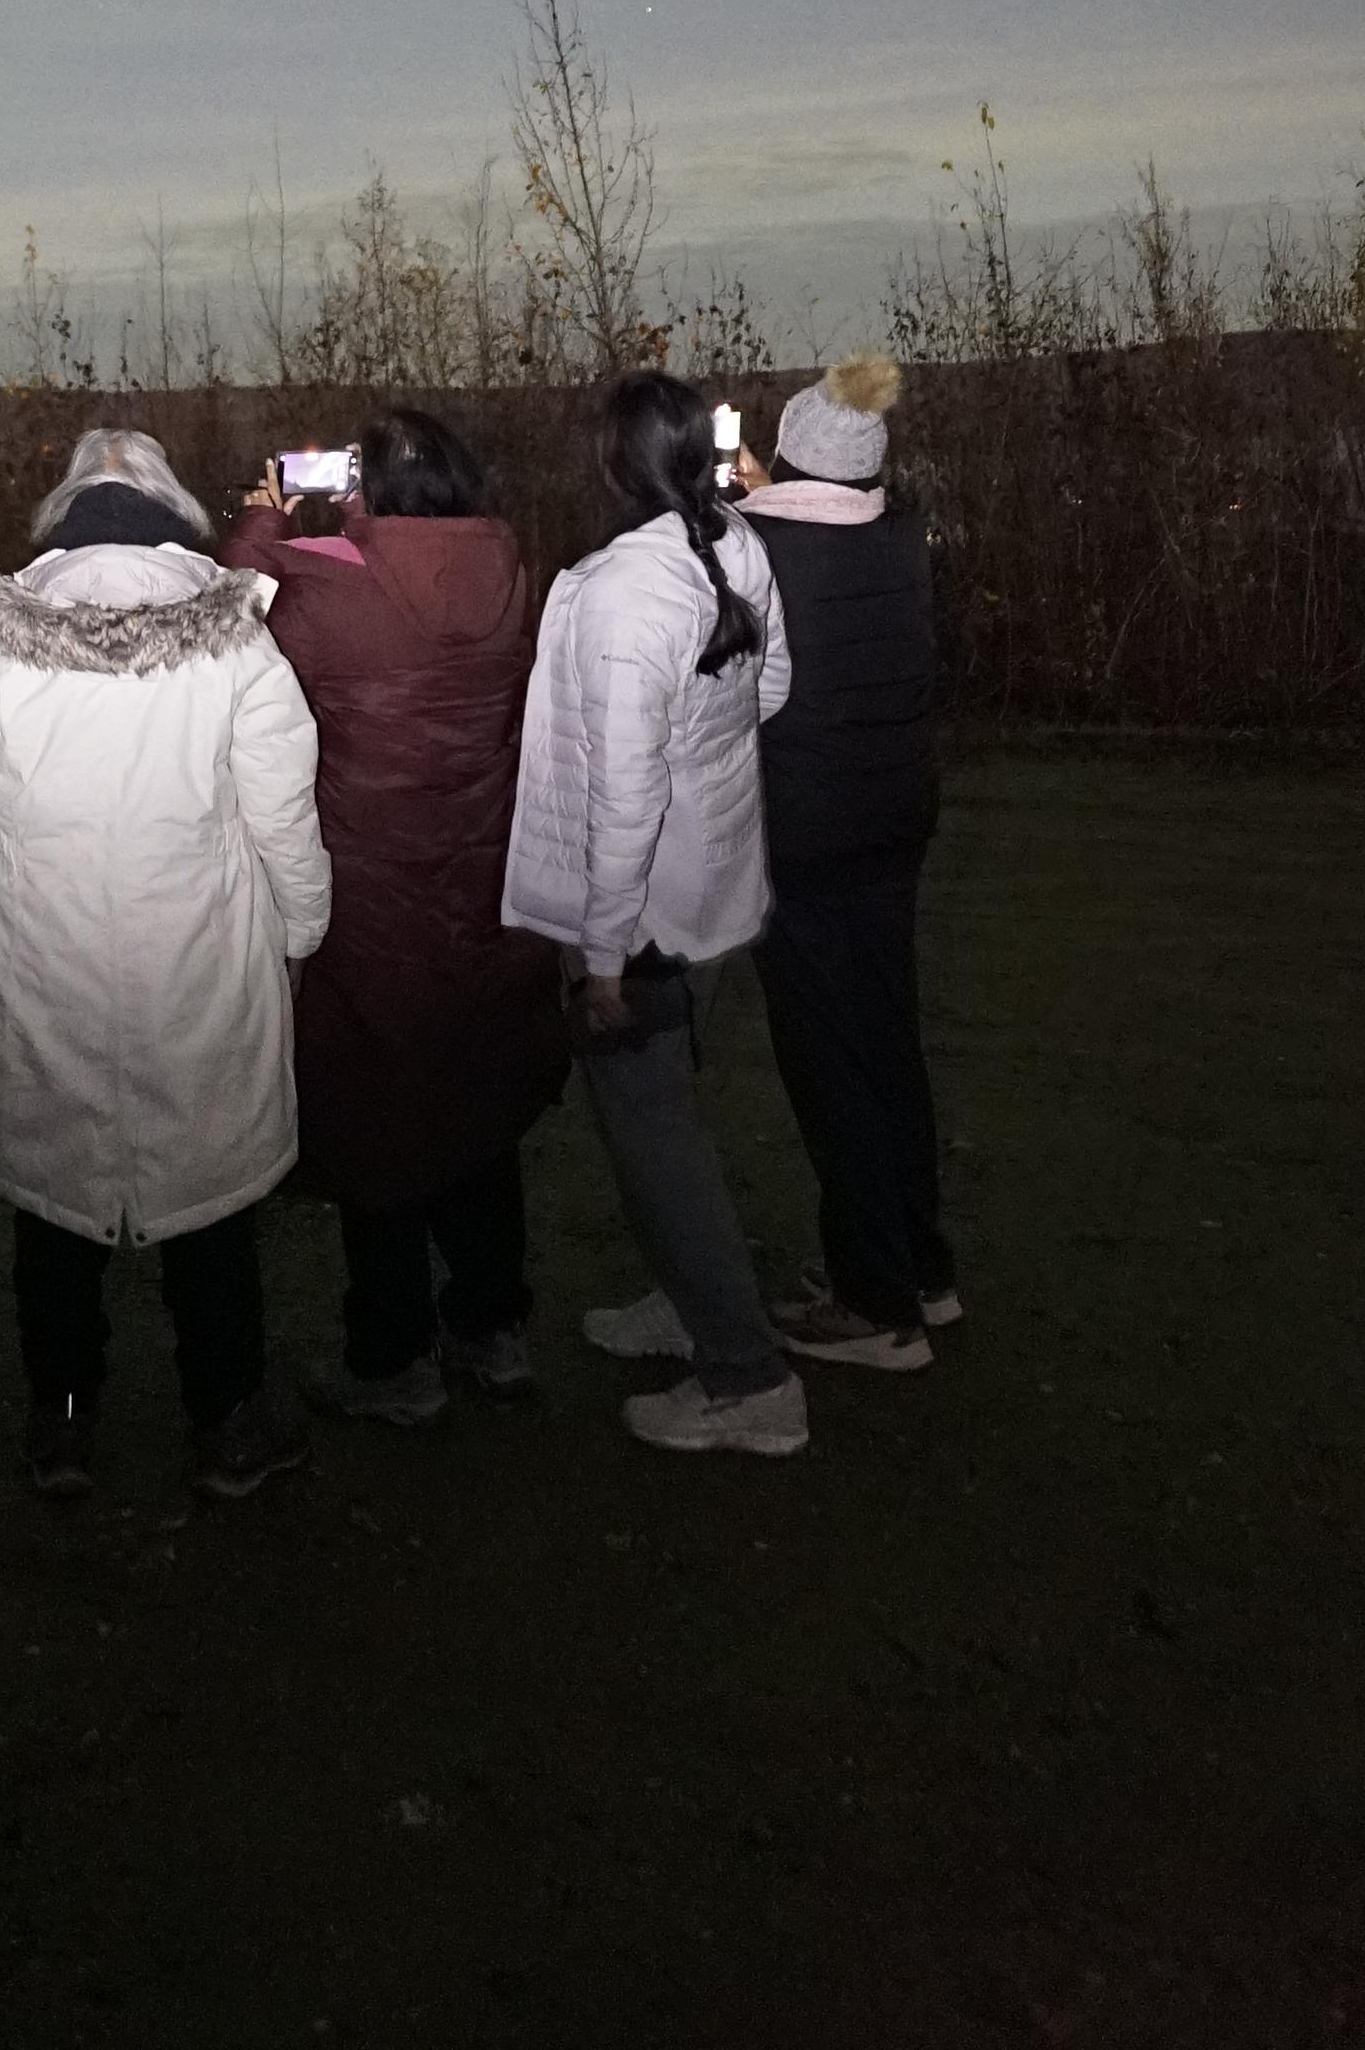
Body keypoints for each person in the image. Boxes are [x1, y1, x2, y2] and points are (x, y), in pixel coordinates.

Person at [0, 425, 331, 1503]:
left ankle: (62, 1424)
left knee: (53, 1209)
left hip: (44, 960)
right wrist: (301, 929)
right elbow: (283, 810)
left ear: (63, 517)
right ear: (172, 513)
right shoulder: (236, 644)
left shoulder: (2, 651)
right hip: (198, 957)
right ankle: (227, 1420)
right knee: (210, 1200)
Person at [222, 410, 565, 1426]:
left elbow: (230, 621)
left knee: (379, 1117)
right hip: (484, 881)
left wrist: (261, 520)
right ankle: (492, 1324)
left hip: (372, 892)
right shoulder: (510, 570)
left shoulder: (330, 583)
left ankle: (393, 1355)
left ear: (363, 484)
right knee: (474, 1098)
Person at [502, 371, 806, 1459]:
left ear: (612, 462)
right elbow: (771, 692)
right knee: (669, 1122)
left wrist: (602, 962)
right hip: (711, 894)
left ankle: (749, 1378)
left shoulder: (624, 595)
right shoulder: (733, 543)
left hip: (645, 927)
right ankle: (690, 1301)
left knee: (655, 1147)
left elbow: (623, 799)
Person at [736, 353, 957, 1371]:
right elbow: (825, 513)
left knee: (830, 1065)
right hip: (892, 820)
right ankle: (921, 1267)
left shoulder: (758, 547)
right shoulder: (900, 534)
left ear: (787, 460)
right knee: (887, 1043)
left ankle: (875, 1304)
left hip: (806, 835)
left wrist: (744, 502)